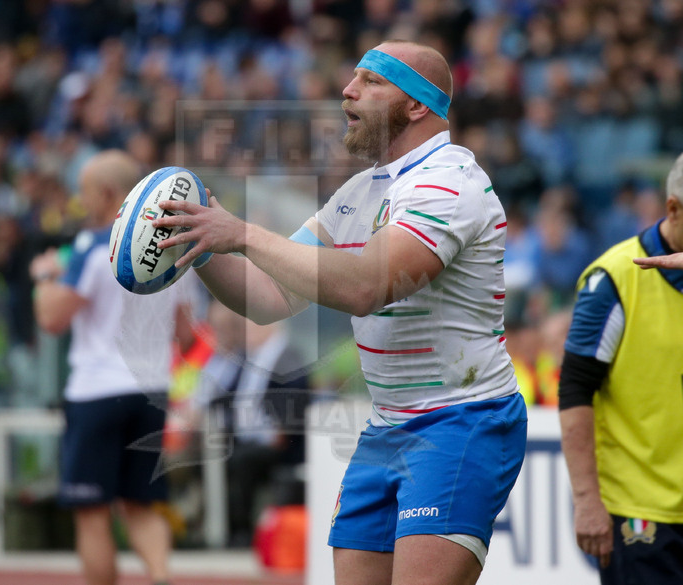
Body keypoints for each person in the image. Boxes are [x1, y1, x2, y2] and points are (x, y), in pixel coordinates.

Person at [153, 41, 528, 585]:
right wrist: (201, 244)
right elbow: (267, 297)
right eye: (353, 78)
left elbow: (367, 287)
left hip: (462, 421)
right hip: (387, 424)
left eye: (371, 81)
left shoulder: (449, 182)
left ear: (416, 104)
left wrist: (244, 233)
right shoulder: (359, 192)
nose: (348, 91)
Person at [31, 150, 194, 585]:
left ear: (106, 193)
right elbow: (186, 335)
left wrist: (44, 276)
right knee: (141, 505)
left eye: (84, 192)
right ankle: (161, 576)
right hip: (152, 389)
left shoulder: (93, 245)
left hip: (97, 391)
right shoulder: (173, 246)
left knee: (92, 512)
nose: (80, 201)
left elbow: (51, 319)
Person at [558, 152, 683, 584]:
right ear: (673, 209)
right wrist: (586, 500)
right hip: (642, 510)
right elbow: (575, 389)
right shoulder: (614, 279)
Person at [192, 301, 310, 547]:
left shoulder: (288, 359)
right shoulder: (246, 357)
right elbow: (223, 397)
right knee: (206, 457)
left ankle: (241, 531)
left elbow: (291, 416)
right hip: (245, 438)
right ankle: (206, 528)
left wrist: (273, 436)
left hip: (280, 446)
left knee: (241, 462)